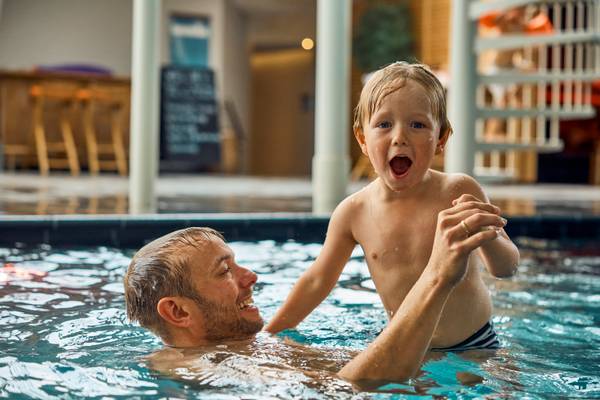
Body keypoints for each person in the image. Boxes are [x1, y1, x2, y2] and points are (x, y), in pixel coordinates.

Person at [265, 62, 520, 352]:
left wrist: (487, 235)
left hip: (475, 344)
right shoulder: (354, 212)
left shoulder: (458, 191)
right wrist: (270, 333)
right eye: (384, 124)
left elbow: (506, 268)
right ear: (362, 139)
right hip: (404, 348)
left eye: (418, 124)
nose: (400, 136)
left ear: (441, 139)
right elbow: (317, 281)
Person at [124, 221, 505, 388]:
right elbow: (355, 386)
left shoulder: (236, 345)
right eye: (225, 271)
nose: (249, 277)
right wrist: (437, 278)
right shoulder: (196, 366)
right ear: (178, 312)